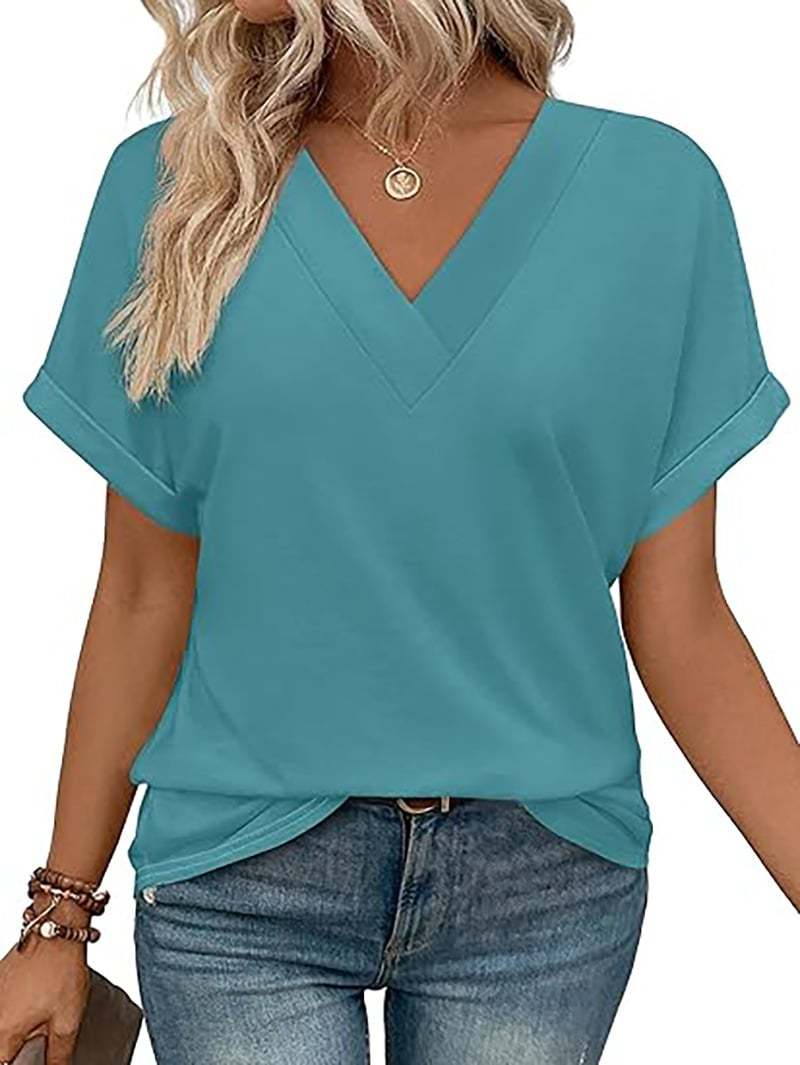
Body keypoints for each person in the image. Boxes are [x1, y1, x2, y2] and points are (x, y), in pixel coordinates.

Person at [1, 0, 796, 1062]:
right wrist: (58, 915)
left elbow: (682, 616)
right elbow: (146, 590)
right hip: (237, 882)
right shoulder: (176, 186)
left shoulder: (654, 192)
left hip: (542, 889)